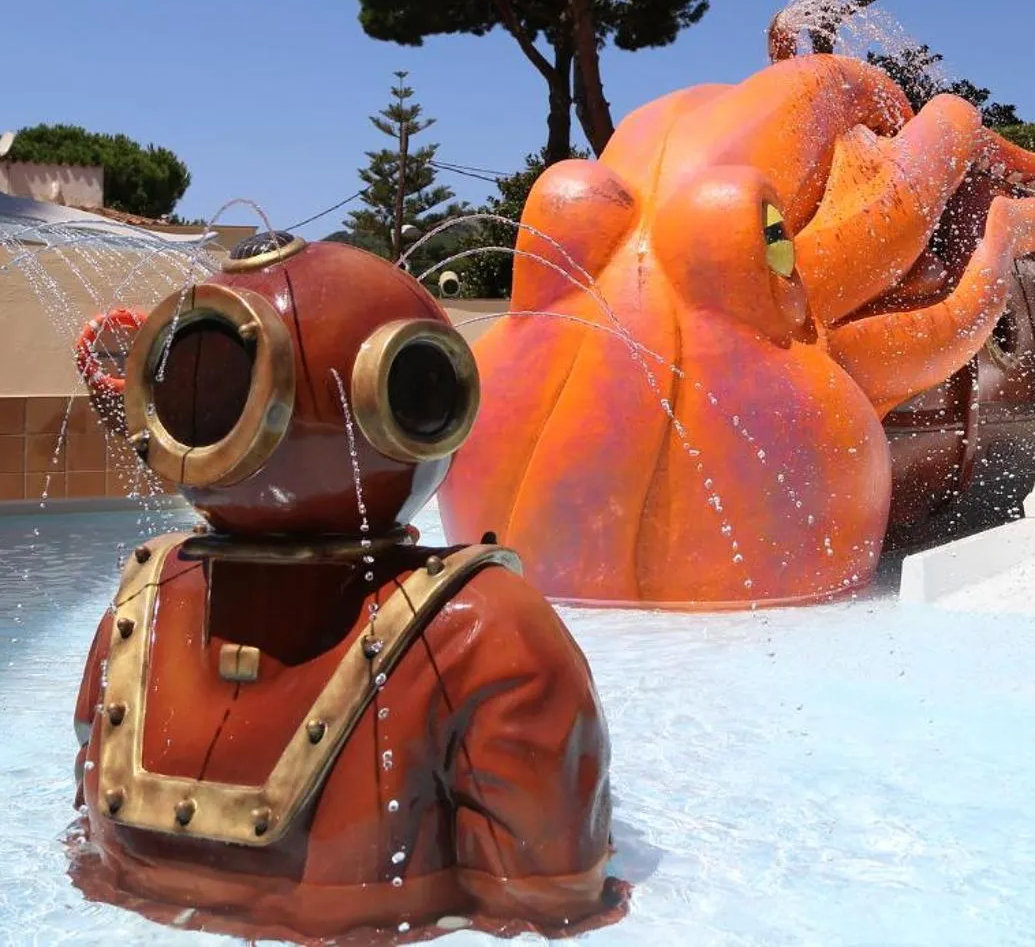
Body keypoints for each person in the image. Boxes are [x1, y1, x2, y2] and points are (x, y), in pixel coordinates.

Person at [67, 231, 628, 941]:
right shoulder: (482, 628)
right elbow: (549, 898)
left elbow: (79, 834)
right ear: (419, 406)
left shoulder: (143, 598)